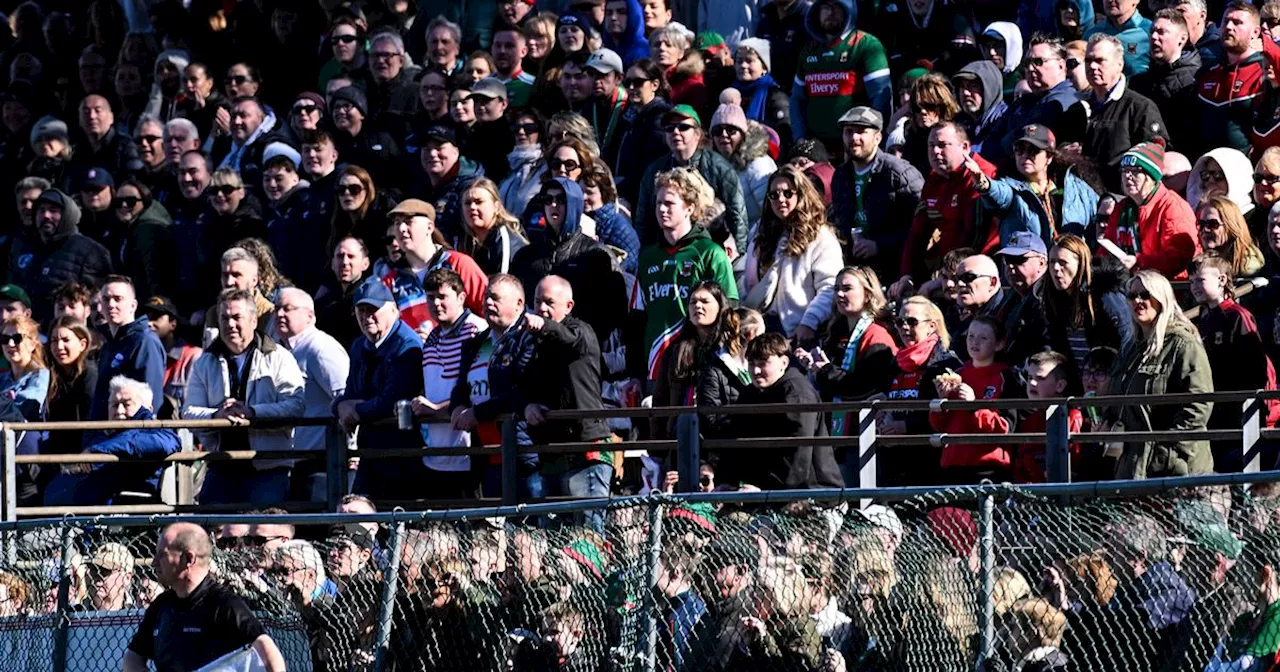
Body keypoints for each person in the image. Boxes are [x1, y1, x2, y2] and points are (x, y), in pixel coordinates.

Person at [182, 289, 306, 505]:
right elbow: (189, 412)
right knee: (212, 533)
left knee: (265, 533)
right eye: (224, 318)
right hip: (221, 467)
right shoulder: (205, 362)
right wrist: (218, 415)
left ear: (253, 320)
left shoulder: (279, 358)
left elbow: (295, 406)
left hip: (268, 468)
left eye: (236, 317)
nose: (230, 324)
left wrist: (252, 413)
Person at [124, 522, 287, 672]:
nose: (154, 563)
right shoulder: (161, 605)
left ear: (188, 559)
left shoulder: (223, 603)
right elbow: (132, 658)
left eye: (162, 555)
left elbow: (268, 651)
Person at [524, 276, 616, 525]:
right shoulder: (535, 342)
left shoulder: (582, 331)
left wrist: (543, 326)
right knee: (551, 534)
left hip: (586, 449)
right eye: (537, 302)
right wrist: (528, 404)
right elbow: (524, 383)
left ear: (569, 306)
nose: (542, 308)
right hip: (553, 452)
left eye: (549, 302)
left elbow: (568, 340)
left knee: (587, 532)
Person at [1110, 270, 1214, 479]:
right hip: (1133, 466)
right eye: (1132, 296)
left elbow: (1199, 405)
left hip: (1177, 469)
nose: (1137, 301)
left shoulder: (1183, 344)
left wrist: (1167, 450)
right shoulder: (1131, 348)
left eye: (1145, 295)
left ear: (1162, 298)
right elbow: (1116, 397)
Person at [637, 168, 738, 381]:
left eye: (669, 203)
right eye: (658, 203)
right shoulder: (647, 256)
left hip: (697, 364)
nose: (662, 209)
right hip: (654, 362)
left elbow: (729, 310)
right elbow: (637, 317)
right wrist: (634, 374)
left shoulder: (710, 252)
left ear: (689, 208)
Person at [451, 274, 541, 500]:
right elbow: (461, 385)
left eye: (495, 298)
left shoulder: (528, 338)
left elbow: (520, 389)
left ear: (519, 303)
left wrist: (477, 413)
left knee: (529, 528)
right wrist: (457, 406)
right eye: (485, 298)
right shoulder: (478, 343)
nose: (487, 303)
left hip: (521, 450)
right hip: (487, 452)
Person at [1189, 253, 1278, 472]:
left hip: (1239, 410)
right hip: (1216, 408)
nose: (1194, 287)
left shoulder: (1237, 316)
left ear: (1221, 280)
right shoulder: (1204, 318)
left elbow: (1257, 367)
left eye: (1200, 280)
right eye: (1191, 282)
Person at [739, 165, 841, 344]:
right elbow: (747, 281)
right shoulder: (759, 233)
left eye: (788, 193)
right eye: (774, 194)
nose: (781, 199)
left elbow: (830, 287)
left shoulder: (821, 236)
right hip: (759, 325)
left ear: (800, 195)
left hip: (798, 330)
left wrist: (810, 322)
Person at [43, 375, 181, 505]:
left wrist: (101, 449)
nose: (119, 411)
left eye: (127, 404)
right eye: (114, 405)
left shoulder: (156, 430)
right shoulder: (103, 436)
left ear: (148, 408)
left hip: (124, 512)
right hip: (85, 512)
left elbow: (166, 443)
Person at [729, 332, 843, 489]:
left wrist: (767, 491)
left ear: (784, 363)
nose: (755, 371)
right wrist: (727, 481)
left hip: (812, 491)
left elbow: (797, 453)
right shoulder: (750, 393)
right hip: (767, 489)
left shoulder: (797, 394)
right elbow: (735, 441)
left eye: (763, 363)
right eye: (751, 364)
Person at [412, 269, 488, 497]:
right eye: (430, 297)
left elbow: (481, 389)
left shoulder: (478, 330)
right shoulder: (432, 337)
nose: (436, 303)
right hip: (436, 452)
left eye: (442, 296)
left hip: (471, 450)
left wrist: (437, 410)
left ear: (461, 298)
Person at [634, 104, 749, 253]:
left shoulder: (719, 167)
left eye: (683, 127)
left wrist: (740, 254)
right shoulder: (654, 171)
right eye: (669, 128)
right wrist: (646, 255)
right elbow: (643, 220)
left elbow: (737, 214)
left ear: (697, 134)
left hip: (712, 250)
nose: (675, 132)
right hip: (666, 252)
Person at [899, 123, 999, 289]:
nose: (935, 151)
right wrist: (907, 275)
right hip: (946, 272)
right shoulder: (934, 178)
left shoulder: (982, 175)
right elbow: (918, 232)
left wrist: (944, 280)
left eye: (943, 145)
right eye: (931, 146)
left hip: (975, 274)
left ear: (965, 147)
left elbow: (975, 237)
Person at [830, 106, 923, 283]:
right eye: (848, 132)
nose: (854, 138)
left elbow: (921, 228)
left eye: (861, 132)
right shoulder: (840, 176)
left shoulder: (899, 173)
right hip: (855, 272)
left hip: (894, 272)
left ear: (878, 137)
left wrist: (879, 245)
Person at [879, 296, 962, 486]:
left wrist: (907, 427)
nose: (904, 327)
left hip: (930, 464)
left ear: (932, 326)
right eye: (899, 322)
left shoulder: (946, 364)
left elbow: (951, 417)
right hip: (894, 462)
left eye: (911, 322)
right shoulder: (894, 363)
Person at [973, 123, 1100, 247]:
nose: (1025, 156)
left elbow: (1100, 216)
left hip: (1070, 265)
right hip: (1028, 266)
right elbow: (998, 193)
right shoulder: (1011, 188)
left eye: (1033, 150)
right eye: (1019, 150)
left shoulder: (1076, 187)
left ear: (1049, 157)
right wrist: (984, 184)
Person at [789, 0, 890, 154]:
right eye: (825, 6)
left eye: (836, 7)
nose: (830, 12)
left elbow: (881, 98)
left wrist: (873, 139)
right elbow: (797, 99)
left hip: (855, 145)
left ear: (848, 10)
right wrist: (800, 138)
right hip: (816, 148)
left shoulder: (866, 45)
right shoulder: (809, 50)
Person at [274, 288, 348, 498]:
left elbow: (343, 396)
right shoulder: (279, 351)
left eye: (288, 309)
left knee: (317, 526)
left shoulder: (321, 348)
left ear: (310, 315)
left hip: (321, 461)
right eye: (277, 308)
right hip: (289, 460)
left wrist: (350, 451)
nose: (280, 314)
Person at [373, 198, 488, 331]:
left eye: (408, 222)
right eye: (397, 223)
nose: (401, 228)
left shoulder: (458, 263)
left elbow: (488, 310)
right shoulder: (391, 281)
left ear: (429, 227)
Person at [930, 316, 1021, 482]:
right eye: (971, 336)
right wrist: (941, 402)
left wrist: (975, 406)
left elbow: (1006, 427)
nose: (975, 342)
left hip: (988, 468)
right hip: (953, 464)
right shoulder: (957, 374)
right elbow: (939, 425)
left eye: (983, 338)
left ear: (999, 344)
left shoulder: (1005, 377)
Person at [7, 188, 111, 322]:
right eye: (41, 210)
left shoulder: (90, 251)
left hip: (71, 335)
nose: (46, 215)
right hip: (28, 333)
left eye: (53, 210)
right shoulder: (23, 248)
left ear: (67, 214)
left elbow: (99, 301)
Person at [1103, 138, 1199, 279]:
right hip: (1129, 286)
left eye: (1136, 171)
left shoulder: (1172, 206)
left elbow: (1179, 255)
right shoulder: (1121, 208)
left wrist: (1139, 262)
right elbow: (1107, 248)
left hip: (1169, 288)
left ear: (1151, 176)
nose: (1128, 176)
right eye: (1125, 171)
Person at [1044, 233, 1134, 374]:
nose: (1055, 268)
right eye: (1051, 262)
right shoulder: (1053, 300)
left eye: (1063, 262)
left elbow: (1128, 338)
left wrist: (1115, 378)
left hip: (1109, 380)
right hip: (1079, 384)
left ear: (1081, 264)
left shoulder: (1105, 293)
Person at [1195, 2, 1272, 155]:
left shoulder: (1267, 73)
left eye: (1237, 23)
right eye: (1225, 21)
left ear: (1255, 32)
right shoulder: (1205, 71)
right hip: (1204, 166)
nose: (1229, 27)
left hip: (1248, 167)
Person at [91, 276, 166, 420]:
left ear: (133, 305)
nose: (111, 304)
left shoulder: (145, 342)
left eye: (118, 299)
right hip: (105, 434)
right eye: (106, 299)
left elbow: (150, 400)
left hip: (132, 436)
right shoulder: (108, 345)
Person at [1129, 10, 1200, 152]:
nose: (1154, 37)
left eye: (1162, 32)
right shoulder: (1139, 82)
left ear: (1182, 39)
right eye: (1152, 31)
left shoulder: (1196, 80)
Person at [607, 59, 672, 206]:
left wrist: (621, 188)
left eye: (638, 82)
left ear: (654, 85)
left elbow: (649, 167)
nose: (631, 87)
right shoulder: (629, 115)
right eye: (627, 82)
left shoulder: (660, 119)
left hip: (641, 198)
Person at [42, 316, 98, 467]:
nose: (59, 346)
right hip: (56, 456)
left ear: (82, 344)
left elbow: (92, 420)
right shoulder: (51, 374)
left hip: (83, 457)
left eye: (66, 340)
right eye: (54, 340)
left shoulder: (90, 374)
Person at [708, 100, 776, 225]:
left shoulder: (758, 165)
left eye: (731, 130)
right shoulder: (713, 166)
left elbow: (772, 214)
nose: (724, 135)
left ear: (742, 135)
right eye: (717, 131)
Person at [110, 178, 176, 302]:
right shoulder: (130, 228)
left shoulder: (147, 230)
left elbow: (155, 274)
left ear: (144, 201)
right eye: (118, 202)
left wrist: (157, 306)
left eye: (131, 201)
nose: (124, 206)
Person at [456, 177, 528, 274]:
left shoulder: (505, 239)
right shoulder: (461, 240)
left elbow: (501, 283)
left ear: (496, 207)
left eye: (479, 202)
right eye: (467, 203)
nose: (472, 207)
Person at [141, 296, 202, 409]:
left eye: (156, 317)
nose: (149, 323)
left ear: (173, 323)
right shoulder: (142, 356)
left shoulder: (192, 356)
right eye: (146, 318)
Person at [315, 237, 371, 349]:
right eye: (340, 256)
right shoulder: (324, 304)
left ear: (365, 264)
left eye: (351, 256)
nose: (345, 262)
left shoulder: (371, 300)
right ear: (332, 264)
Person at [732, 38, 790, 145]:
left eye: (749, 61)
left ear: (764, 67)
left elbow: (784, 129)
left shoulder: (775, 94)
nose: (743, 66)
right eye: (739, 61)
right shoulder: (730, 93)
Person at [1196, 196, 1265, 279]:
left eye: (1213, 224)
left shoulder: (1248, 266)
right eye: (1202, 224)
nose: (1205, 230)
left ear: (1231, 226)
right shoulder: (1201, 260)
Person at [499, 108, 547, 218]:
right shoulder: (508, 166)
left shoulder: (546, 166)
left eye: (529, 128)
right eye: (516, 129)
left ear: (540, 132)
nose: (521, 132)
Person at [1186, 147, 1256, 217]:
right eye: (1206, 175)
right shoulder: (1200, 217)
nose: (1210, 180)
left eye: (1218, 175)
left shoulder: (1254, 218)